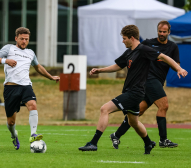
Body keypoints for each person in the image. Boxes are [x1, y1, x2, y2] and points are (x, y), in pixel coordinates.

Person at [78, 25, 187, 154]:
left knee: (104, 109)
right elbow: (118, 65)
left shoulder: (143, 50)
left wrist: (179, 69)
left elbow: (164, 57)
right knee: (133, 122)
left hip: (135, 92)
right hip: (132, 92)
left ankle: (93, 143)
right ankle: (148, 143)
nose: (122, 41)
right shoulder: (129, 51)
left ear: (132, 38)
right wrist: (100, 70)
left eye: (124, 38)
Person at [110, 21, 180, 149]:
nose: (162, 34)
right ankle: (163, 140)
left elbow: (176, 64)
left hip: (157, 81)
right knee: (164, 105)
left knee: (138, 111)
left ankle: (116, 135)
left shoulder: (173, 47)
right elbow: (134, 50)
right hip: (148, 79)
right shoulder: (148, 43)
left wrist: (177, 68)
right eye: (160, 31)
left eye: (164, 32)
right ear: (157, 30)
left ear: (169, 32)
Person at [0, 27, 60, 150]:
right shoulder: (9, 48)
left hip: (26, 86)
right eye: (22, 39)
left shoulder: (30, 53)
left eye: (26, 39)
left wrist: (50, 77)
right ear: (16, 38)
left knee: (32, 104)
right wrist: (6, 60)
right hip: (11, 88)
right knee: (11, 121)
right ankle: (13, 135)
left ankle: (33, 134)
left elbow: (38, 67)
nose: (24, 41)